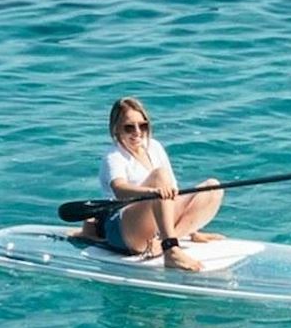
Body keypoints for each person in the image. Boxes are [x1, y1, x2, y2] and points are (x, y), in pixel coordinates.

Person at [88, 97, 225, 272]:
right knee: (160, 175)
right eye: (129, 127)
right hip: (124, 228)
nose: (137, 132)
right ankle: (171, 250)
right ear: (116, 129)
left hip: (152, 225)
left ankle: (168, 240)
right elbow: (120, 190)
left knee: (213, 187)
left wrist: (193, 230)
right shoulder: (113, 155)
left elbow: (173, 193)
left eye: (142, 125)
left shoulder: (154, 147)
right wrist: (152, 192)